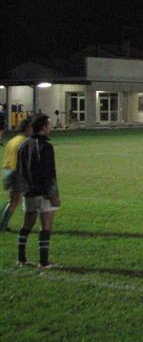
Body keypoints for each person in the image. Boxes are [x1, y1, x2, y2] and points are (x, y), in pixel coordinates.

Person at [16, 114, 61, 268]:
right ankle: (44, 262)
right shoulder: (46, 146)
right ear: (43, 127)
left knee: (27, 224)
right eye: (49, 124)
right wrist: (54, 195)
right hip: (42, 192)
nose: (51, 127)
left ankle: (21, 258)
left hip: (28, 192)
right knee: (46, 225)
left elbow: (19, 170)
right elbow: (49, 173)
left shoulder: (23, 145)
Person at [1, 118, 32, 232]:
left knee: (12, 200)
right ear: (27, 128)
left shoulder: (13, 140)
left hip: (7, 170)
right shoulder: (24, 141)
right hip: (15, 172)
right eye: (31, 128)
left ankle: (3, 223)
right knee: (15, 201)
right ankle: (2, 226)